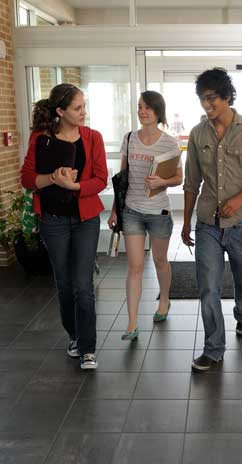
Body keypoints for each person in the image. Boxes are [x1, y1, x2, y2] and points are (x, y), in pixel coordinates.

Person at [182, 68, 242, 371]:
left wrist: (239, 198)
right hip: (207, 222)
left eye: (212, 100)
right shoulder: (197, 133)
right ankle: (213, 348)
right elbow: (191, 181)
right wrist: (185, 223)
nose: (207, 106)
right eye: (202, 100)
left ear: (228, 97)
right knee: (208, 286)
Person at [21, 83, 108, 370]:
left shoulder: (93, 138)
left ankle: (87, 348)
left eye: (84, 106)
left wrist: (74, 185)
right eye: (77, 108)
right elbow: (27, 178)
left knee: (84, 286)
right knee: (65, 285)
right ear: (60, 111)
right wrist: (53, 179)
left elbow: (100, 179)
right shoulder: (40, 138)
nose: (84, 112)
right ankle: (73, 335)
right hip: (53, 221)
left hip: (85, 220)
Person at [108, 91, 182, 340]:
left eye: (148, 107)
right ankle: (131, 323)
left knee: (160, 261)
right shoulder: (130, 139)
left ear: (158, 112)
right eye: (140, 107)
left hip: (159, 211)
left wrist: (163, 180)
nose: (142, 111)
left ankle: (165, 299)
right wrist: (115, 210)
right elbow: (123, 178)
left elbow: (178, 177)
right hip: (132, 211)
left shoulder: (170, 142)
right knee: (135, 267)